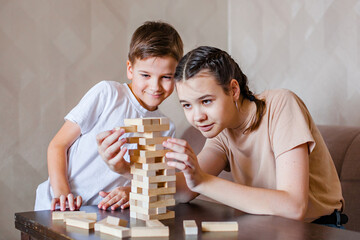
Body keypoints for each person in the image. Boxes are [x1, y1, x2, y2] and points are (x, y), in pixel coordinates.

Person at [162, 46, 346, 228]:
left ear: (234, 90)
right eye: (187, 105)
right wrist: (134, 171)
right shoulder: (221, 129)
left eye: (206, 101)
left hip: (317, 230)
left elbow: (294, 207)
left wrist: (202, 181)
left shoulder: (281, 105)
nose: (197, 116)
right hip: (263, 229)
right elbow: (188, 188)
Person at [34, 21, 183, 211]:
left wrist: (131, 190)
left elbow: (153, 180)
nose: (155, 86)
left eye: (166, 77)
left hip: (99, 214)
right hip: (55, 205)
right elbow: (58, 145)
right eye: (145, 75)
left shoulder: (166, 127)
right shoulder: (109, 94)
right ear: (130, 69)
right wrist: (62, 193)